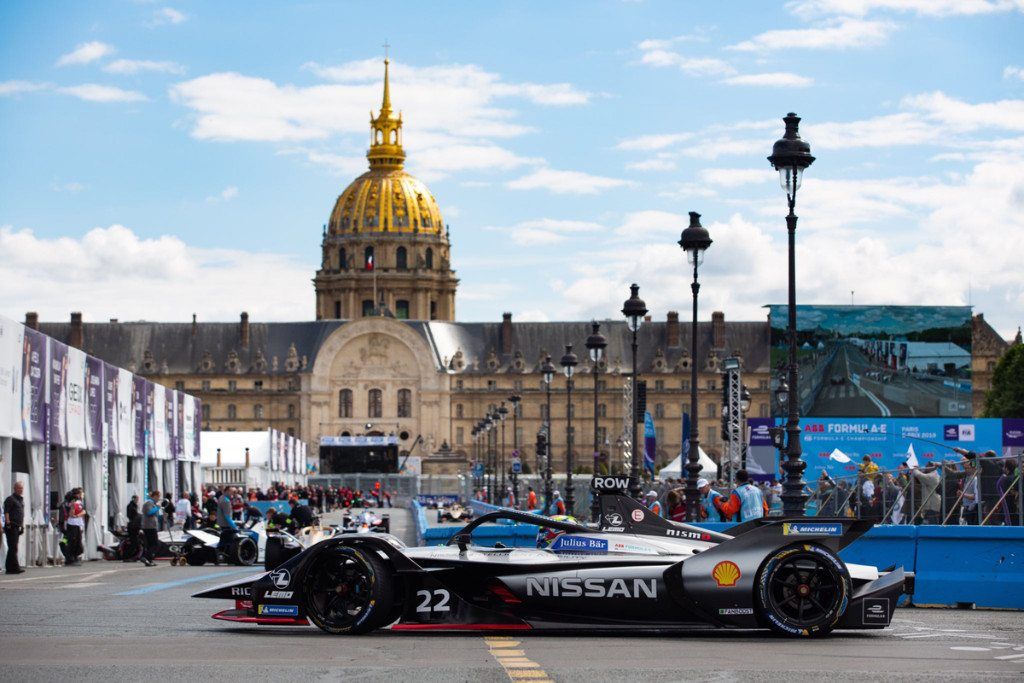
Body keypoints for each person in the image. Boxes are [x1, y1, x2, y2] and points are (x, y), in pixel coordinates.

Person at [4, 481, 25, 574]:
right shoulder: (10, 499)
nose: (21, 490)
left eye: (22, 488)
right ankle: (15, 567)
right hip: (11, 525)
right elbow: (6, 511)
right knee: (13, 547)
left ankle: (9, 567)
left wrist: (22, 526)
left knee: (13, 547)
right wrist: (8, 522)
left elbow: (21, 514)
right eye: (19, 488)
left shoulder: (20, 500)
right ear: (15, 488)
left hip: (17, 526)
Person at [63, 489, 86, 566]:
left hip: (78, 524)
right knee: (71, 541)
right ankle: (70, 558)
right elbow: (71, 514)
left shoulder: (79, 503)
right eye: (82, 494)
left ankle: (75, 556)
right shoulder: (71, 503)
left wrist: (78, 515)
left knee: (78, 541)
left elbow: (84, 512)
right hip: (72, 524)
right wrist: (74, 510)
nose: (83, 495)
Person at [216, 486, 239, 561]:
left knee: (223, 540)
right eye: (233, 492)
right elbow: (227, 516)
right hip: (226, 525)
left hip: (221, 523)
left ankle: (220, 554)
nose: (233, 494)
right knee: (231, 542)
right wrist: (235, 527)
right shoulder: (226, 501)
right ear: (228, 491)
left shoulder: (221, 497)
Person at [140, 490, 161, 567]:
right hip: (149, 526)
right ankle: (145, 557)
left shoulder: (152, 503)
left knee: (150, 544)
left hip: (151, 526)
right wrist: (157, 508)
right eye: (158, 496)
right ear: (154, 496)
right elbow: (149, 512)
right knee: (155, 544)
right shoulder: (149, 503)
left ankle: (149, 560)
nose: (159, 498)